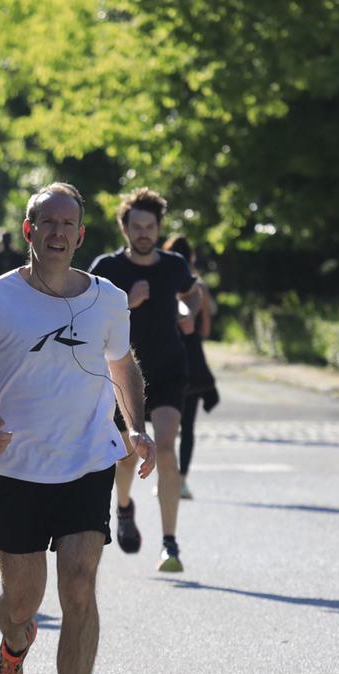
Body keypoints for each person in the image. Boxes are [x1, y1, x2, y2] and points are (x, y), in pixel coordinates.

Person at [0, 182, 154, 674]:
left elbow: (122, 365)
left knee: (80, 587)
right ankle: (15, 644)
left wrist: (135, 428)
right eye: (47, 222)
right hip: (11, 467)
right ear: (29, 229)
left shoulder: (107, 300)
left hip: (86, 459)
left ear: (81, 235)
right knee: (22, 599)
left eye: (69, 224)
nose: (58, 232)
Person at [89, 188, 198, 573]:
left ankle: (170, 543)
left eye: (150, 226)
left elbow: (192, 292)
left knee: (166, 448)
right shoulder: (107, 268)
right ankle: (123, 507)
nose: (143, 233)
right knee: (126, 456)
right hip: (123, 373)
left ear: (158, 228)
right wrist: (127, 303)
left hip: (169, 369)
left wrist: (187, 313)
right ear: (124, 228)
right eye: (136, 226)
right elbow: (87, 315)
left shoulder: (173, 265)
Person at [163, 236, 220, 499]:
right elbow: (206, 330)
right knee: (188, 427)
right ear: (192, 259)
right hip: (193, 363)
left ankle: (167, 478)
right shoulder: (199, 288)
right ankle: (182, 480)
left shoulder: (162, 281)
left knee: (166, 424)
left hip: (166, 359)